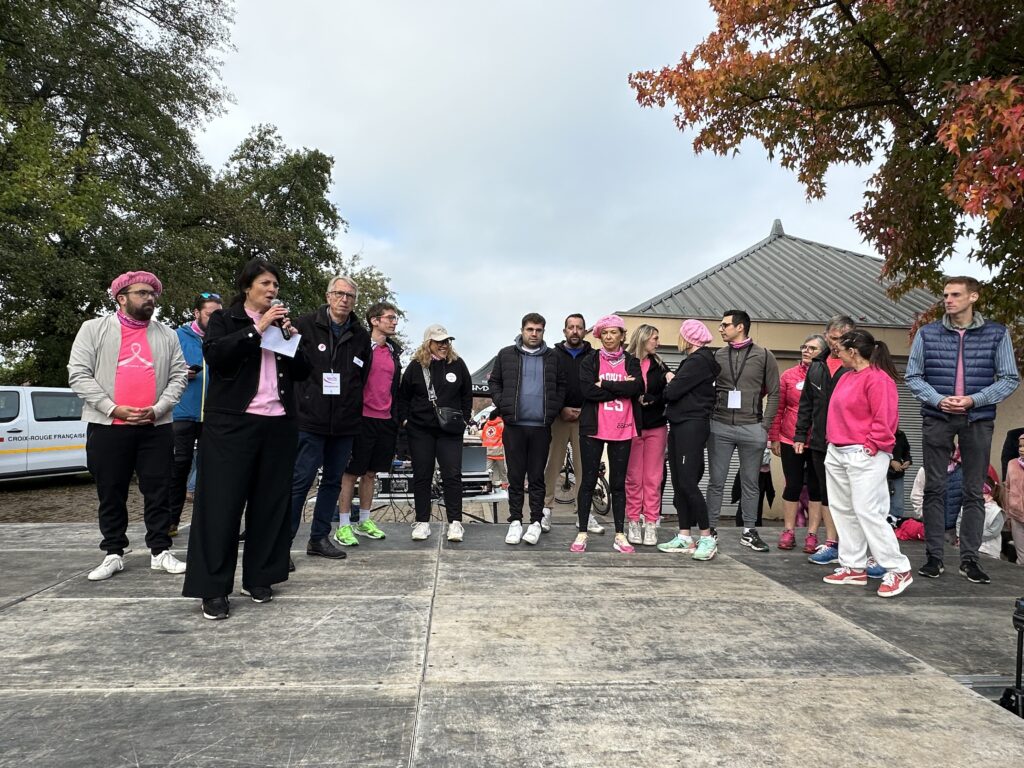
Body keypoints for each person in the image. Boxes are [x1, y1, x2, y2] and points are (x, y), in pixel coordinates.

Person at [182, 258, 310, 620]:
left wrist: (292, 337)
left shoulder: (284, 325)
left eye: (276, 285)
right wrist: (258, 329)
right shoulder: (226, 319)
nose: (273, 290)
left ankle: (260, 577)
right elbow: (217, 356)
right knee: (221, 503)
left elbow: (303, 372)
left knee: (270, 503)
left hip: (279, 423)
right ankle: (212, 588)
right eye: (266, 283)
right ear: (247, 287)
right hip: (232, 425)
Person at [68, 270, 189, 582]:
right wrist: (113, 408)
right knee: (111, 490)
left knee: (159, 488)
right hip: (108, 425)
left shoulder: (167, 334)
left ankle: (160, 551)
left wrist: (158, 408)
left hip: (156, 426)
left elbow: (179, 376)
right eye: (141, 293)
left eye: (152, 294)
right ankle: (113, 553)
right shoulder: (93, 329)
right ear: (121, 298)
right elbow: (79, 374)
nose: (150, 298)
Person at [905, 276, 1019, 583]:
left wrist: (974, 400)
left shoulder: (996, 333)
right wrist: (940, 400)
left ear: (973, 297)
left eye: (955, 294)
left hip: (977, 418)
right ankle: (933, 557)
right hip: (937, 416)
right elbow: (913, 376)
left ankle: (970, 560)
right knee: (934, 488)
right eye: (945, 295)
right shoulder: (928, 333)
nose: (948, 300)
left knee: (974, 490)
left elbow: (1009, 377)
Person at [821, 329, 914, 598]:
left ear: (853, 352)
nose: (836, 354)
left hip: (864, 453)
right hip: (838, 450)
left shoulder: (879, 380)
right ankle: (853, 566)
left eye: (840, 350)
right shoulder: (846, 377)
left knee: (868, 510)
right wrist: (832, 443)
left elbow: (885, 420)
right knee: (843, 509)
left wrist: (872, 445)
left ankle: (898, 568)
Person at [289, 276, 370, 561]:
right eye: (339, 293)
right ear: (328, 296)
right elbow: (290, 368)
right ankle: (281, 545)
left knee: (333, 482)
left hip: (345, 422)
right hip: (310, 419)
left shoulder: (361, 335)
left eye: (350, 295)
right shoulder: (305, 325)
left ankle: (319, 538)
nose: (344, 299)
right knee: (300, 481)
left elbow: (363, 375)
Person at [705, 309, 780, 552]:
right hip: (721, 426)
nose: (720, 329)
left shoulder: (764, 355)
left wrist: (764, 426)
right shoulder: (717, 355)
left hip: (752, 427)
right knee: (716, 481)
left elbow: (776, 392)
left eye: (725, 325)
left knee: (751, 482)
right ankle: (710, 530)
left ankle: (749, 530)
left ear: (740, 327)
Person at [489, 313, 565, 545]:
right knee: (514, 476)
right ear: (522, 330)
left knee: (536, 478)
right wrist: (502, 404)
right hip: (514, 426)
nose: (534, 334)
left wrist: (552, 411)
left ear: (544, 332)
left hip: (541, 426)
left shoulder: (553, 357)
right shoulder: (505, 355)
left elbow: (561, 386)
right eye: (530, 329)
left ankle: (534, 522)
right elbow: (495, 382)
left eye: (539, 330)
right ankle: (514, 521)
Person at [571, 314, 643, 554]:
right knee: (588, 481)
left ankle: (620, 534)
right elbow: (588, 391)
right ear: (600, 336)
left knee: (618, 483)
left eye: (615, 332)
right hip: (594, 428)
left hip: (623, 428)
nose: (610, 336)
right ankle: (582, 532)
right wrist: (621, 389)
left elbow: (637, 387)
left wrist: (607, 385)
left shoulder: (631, 361)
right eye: (605, 333)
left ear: (623, 336)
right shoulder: (590, 360)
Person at [398, 325, 473, 542]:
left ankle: (455, 522)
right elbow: (403, 397)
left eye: (446, 341)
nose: (444, 345)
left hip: (450, 431)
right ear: (428, 343)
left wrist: (465, 418)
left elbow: (467, 393)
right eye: (439, 341)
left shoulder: (457, 364)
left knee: (452, 475)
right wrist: (405, 421)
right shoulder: (415, 366)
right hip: (420, 430)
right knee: (422, 476)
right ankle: (422, 522)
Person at [336, 302, 402, 546]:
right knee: (350, 473)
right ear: (375, 320)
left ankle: (364, 520)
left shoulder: (394, 352)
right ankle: (343, 525)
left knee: (371, 473)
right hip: (360, 418)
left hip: (384, 420)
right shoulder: (360, 346)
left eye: (396, 319)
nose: (394, 322)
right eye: (390, 318)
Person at [793, 315, 856, 563]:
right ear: (827, 335)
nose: (837, 343)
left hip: (850, 442)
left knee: (851, 496)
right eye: (833, 338)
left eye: (843, 338)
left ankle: (853, 545)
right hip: (821, 440)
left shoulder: (857, 364)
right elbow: (806, 402)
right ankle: (832, 542)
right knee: (827, 493)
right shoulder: (817, 365)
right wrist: (800, 434)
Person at [657, 320, 722, 560]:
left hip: (691, 425)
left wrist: (671, 379)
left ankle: (706, 536)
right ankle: (685, 535)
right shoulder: (696, 361)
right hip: (680, 424)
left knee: (687, 481)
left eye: (681, 335)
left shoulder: (697, 362)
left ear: (689, 338)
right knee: (679, 482)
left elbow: (671, 392)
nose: (678, 339)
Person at [542, 314, 605, 534]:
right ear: (564, 331)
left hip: (586, 418)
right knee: (552, 465)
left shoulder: (595, 356)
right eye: (571, 327)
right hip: (559, 417)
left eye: (579, 327)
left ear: (585, 331)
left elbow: (598, 385)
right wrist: (560, 409)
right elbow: (549, 385)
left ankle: (584, 514)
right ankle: (546, 509)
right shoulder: (552, 355)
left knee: (585, 468)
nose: (575, 331)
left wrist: (584, 409)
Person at [168, 292, 222, 537]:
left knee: (212, 469)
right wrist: (181, 373)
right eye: (210, 314)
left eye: (218, 314)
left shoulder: (223, 337)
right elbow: (161, 368)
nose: (214, 319)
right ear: (197, 313)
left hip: (213, 414)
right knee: (179, 467)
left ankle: (207, 524)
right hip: (182, 413)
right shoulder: (177, 337)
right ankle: (171, 521)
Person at [768, 334, 827, 549]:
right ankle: (788, 531)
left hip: (818, 440)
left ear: (823, 351)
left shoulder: (827, 374)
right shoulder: (789, 375)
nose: (806, 351)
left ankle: (812, 534)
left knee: (816, 487)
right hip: (789, 438)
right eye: (804, 347)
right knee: (792, 485)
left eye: (812, 348)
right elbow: (779, 408)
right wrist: (774, 437)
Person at [624, 324, 670, 546]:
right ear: (643, 339)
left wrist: (654, 399)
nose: (657, 342)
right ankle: (633, 521)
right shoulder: (626, 361)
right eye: (654, 338)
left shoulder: (660, 364)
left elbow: (670, 392)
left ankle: (651, 523)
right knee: (633, 478)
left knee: (653, 478)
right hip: (632, 426)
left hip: (656, 426)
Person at [1001, 433, 1024, 566]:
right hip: (1016, 516)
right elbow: (1008, 488)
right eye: (1020, 446)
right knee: (1021, 559)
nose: (1021, 449)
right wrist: (1008, 514)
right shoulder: (1012, 464)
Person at [887, 429, 912, 519]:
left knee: (898, 505)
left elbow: (906, 452)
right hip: (881, 476)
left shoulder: (901, 435)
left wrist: (908, 461)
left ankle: (896, 527)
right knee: (882, 504)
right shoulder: (880, 434)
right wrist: (890, 462)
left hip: (897, 475)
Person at [481, 411, 508, 490]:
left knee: (487, 472)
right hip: (499, 452)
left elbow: (483, 437)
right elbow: (506, 437)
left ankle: (486, 486)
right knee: (503, 472)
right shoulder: (502, 424)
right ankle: (504, 488)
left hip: (488, 451)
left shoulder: (486, 425)